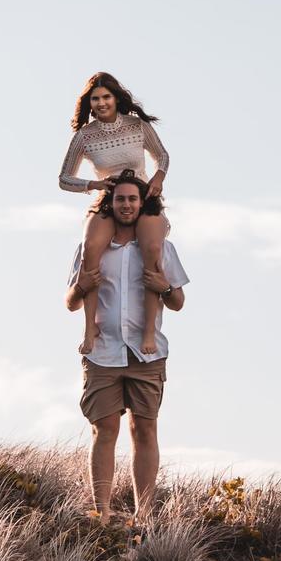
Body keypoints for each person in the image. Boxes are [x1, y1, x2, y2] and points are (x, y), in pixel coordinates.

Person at [65, 170, 189, 525]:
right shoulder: (91, 248)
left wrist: (164, 286)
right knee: (103, 430)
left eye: (133, 199)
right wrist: (80, 286)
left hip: (147, 354)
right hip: (103, 353)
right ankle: (100, 511)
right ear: (111, 202)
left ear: (142, 202)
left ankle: (144, 515)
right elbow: (71, 301)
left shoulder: (161, 249)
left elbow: (178, 301)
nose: (127, 205)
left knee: (144, 429)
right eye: (120, 199)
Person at [59, 72, 170, 357]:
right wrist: (93, 184)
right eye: (95, 99)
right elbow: (64, 179)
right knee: (91, 248)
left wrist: (158, 178)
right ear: (89, 103)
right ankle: (89, 327)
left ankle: (148, 330)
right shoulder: (85, 136)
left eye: (106, 97)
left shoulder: (137, 125)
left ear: (115, 98)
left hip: (142, 196)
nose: (101, 103)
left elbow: (163, 156)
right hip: (109, 198)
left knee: (153, 247)